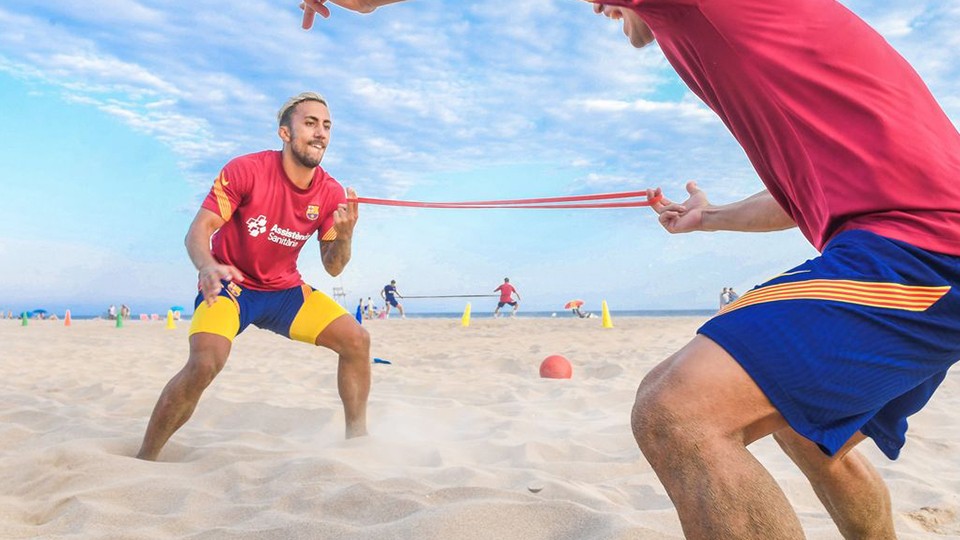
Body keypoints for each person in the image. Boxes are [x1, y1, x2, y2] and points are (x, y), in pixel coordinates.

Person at [318, 1, 960, 538]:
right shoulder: (720, 34)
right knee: (803, 419)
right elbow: (801, 198)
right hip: (897, 239)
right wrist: (710, 218)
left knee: (675, 410)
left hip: (926, 245)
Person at [136, 92, 371, 461]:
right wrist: (207, 265)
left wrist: (346, 233)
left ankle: (358, 441)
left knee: (356, 341)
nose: (320, 133)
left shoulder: (330, 192)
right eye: (310, 123)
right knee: (205, 362)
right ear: (285, 132)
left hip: (284, 292)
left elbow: (333, 266)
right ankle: (146, 457)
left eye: (326, 126)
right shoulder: (246, 170)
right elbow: (197, 232)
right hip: (232, 287)